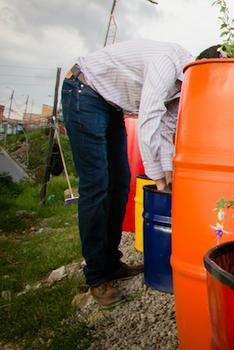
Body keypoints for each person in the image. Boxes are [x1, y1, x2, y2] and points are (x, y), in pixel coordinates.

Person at [62, 39, 194, 307]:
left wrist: (170, 178)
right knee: (96, 185)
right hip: (84, 91)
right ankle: (96, 276)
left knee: (120, 185)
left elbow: (166, 130)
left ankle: (110, 263)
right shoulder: (167, 64)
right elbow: (147, 123)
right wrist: (160, 185)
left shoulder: (184, 86)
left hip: (109, 104)